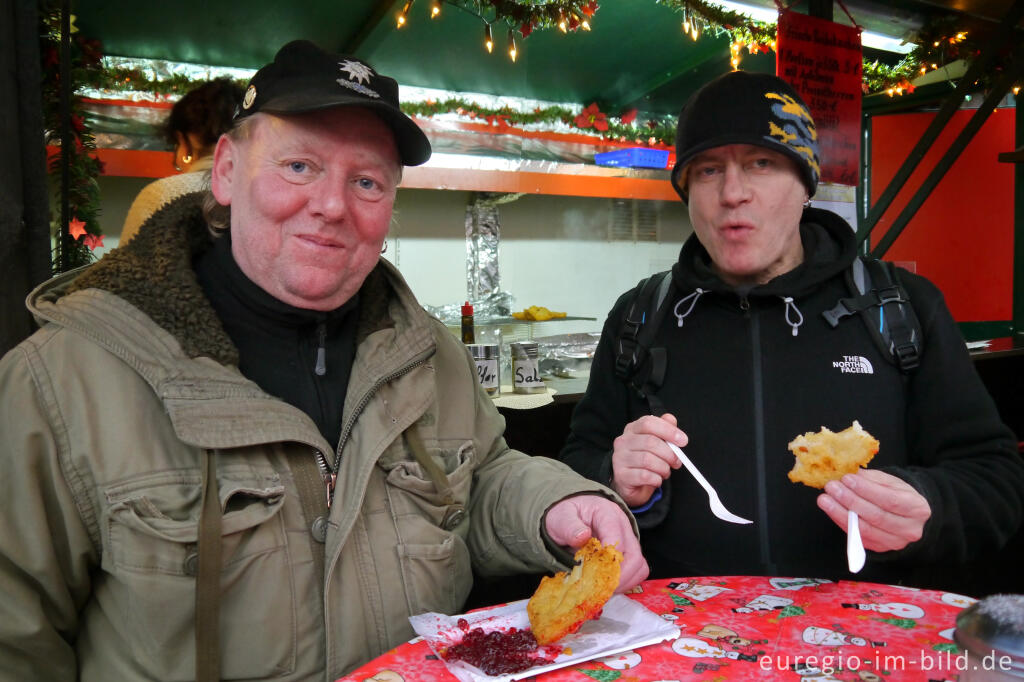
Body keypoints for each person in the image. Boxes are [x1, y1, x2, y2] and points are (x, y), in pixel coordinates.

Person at [0, 40, 647, 680]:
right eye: (300, 166)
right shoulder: (62, 381)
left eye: (366, 181)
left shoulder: (427, 355)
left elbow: (480, 483)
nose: (333, 206)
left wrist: (553, 504)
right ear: (225, 170)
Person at [560, 70, 1024, 587]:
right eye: (709, 170)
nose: (733, 193)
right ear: (687, 192)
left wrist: (931, 506)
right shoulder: (639, 317)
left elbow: (997, 481)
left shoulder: (899, 308)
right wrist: (611, 477)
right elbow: (574, 468)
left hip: (863, 644)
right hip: (687, 645)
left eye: (761, 163)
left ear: (805, 183)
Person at [119, 77, 243, 243]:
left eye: (175, 144)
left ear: (184, 140)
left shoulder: (161, 196)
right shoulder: (260, 192)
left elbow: (124, 266)